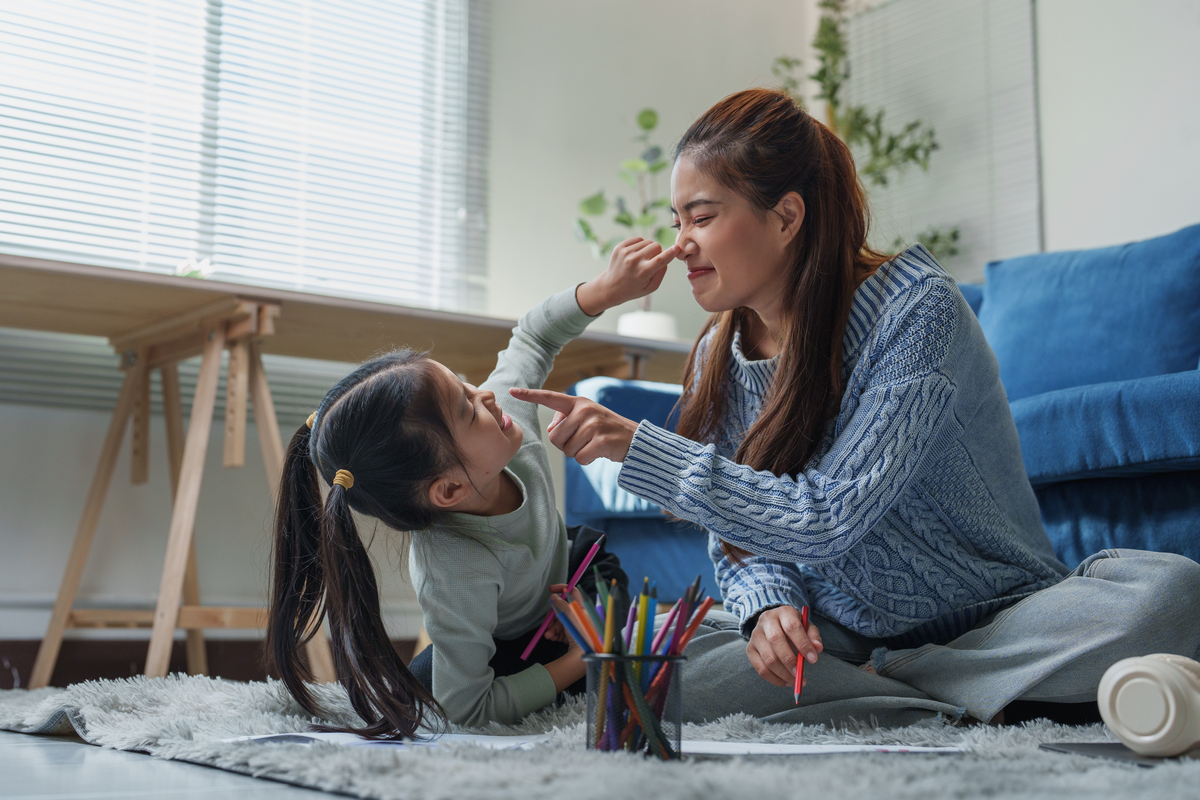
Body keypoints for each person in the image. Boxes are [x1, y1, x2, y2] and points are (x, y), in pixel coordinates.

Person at [513, 88, 1200, 727]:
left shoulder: (916, 310)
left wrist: (643, 449)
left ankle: (899, 684)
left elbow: (827, 517)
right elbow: (741, 535)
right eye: (677, 219)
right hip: (837, 629)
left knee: (1169, 596)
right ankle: (956, 695)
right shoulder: (714, 352)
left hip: (999, 620)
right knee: (651, 670)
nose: (679, 242)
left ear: (786, 217)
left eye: (702, 216)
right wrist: (768, 605)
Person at [265, 244, 676, 736]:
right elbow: (468, 711)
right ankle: (596, 655)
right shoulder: (454, 568)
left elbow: (533, 336)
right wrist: (576, 661)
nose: (485, 394)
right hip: (513, 642)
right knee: (428, 694)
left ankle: (598, 634)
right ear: (450, 490)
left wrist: (605, 289)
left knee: (595, 558)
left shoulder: (506, 413)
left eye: (465, 385)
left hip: (569, 575)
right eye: (467, 407)